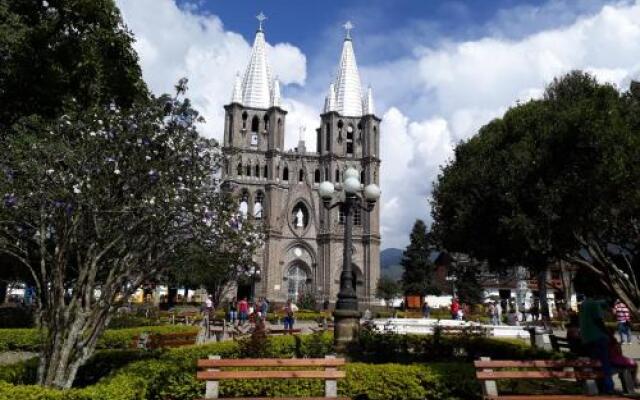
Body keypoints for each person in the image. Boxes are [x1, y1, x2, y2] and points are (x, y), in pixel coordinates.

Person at [579, 295, 614, 393]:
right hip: (598, 337)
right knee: (605, 363)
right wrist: (608, 333)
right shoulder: (594, 304)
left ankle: (600, 386)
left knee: (595, 363)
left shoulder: (584, 304)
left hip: (587, 338)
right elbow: (598, 320)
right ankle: (608, 387)